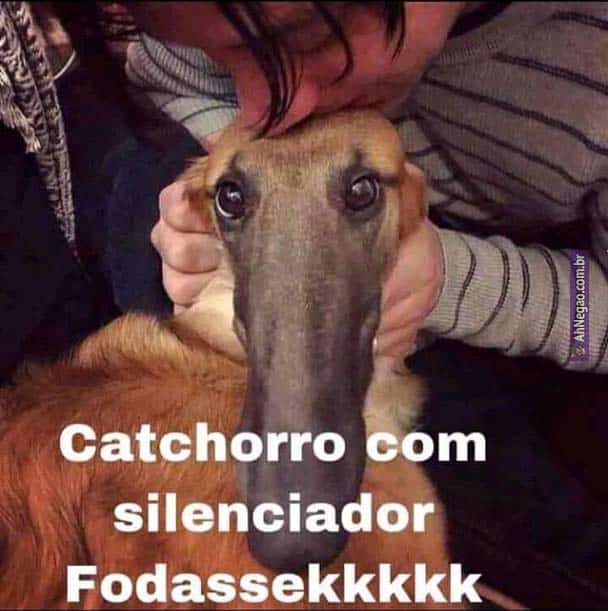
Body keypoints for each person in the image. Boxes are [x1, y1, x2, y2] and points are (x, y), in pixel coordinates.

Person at [122, 2, 608, 605]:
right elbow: (163, 74)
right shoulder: (229, 23)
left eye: (308, 38)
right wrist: (239, 178)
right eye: (231, 56)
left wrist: (453, 280)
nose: (262, 108)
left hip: (515, 306)